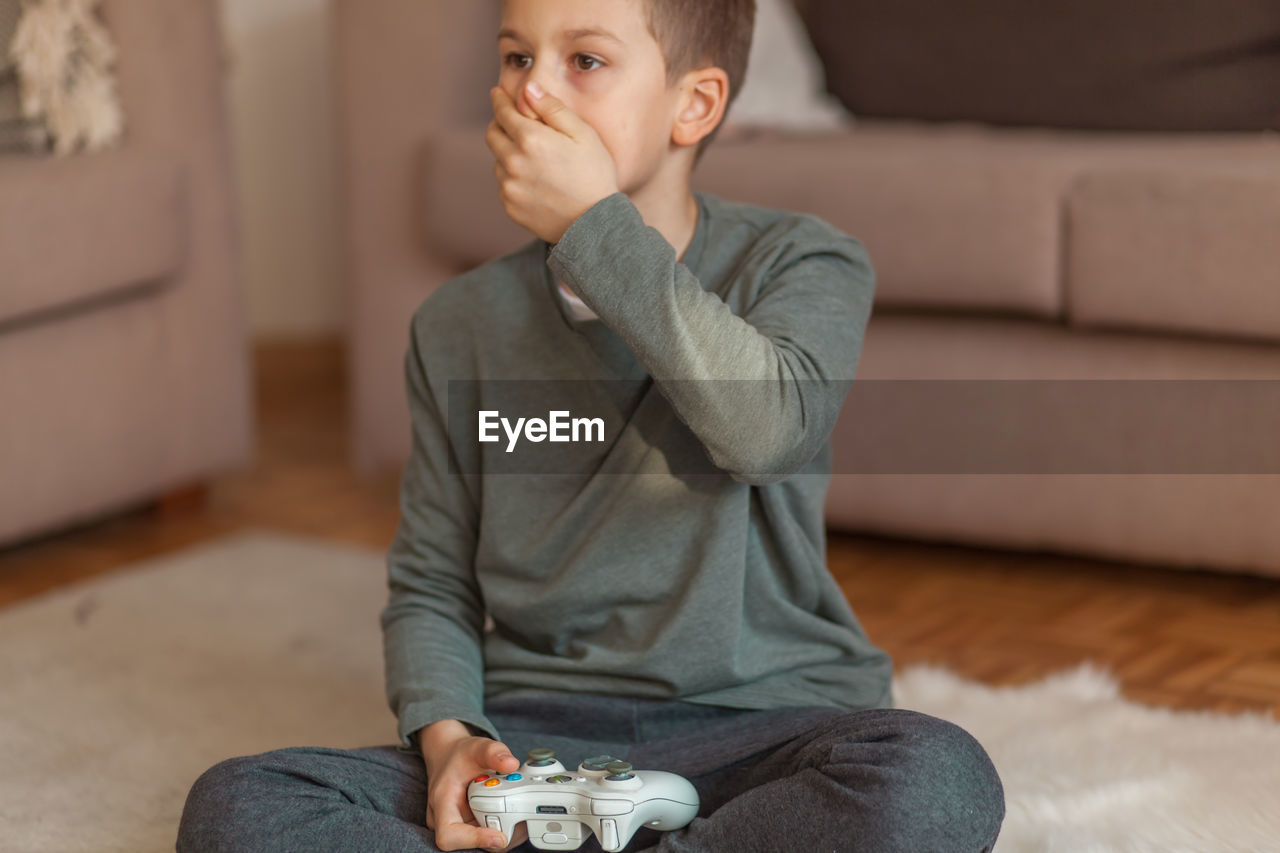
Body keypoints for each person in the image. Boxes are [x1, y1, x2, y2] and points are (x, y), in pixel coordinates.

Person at [176, 0, 1006, 850]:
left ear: (696, 105)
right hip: (540, 740)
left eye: (585, 61)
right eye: (514, 57)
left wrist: (591, 228)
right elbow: (433, 581)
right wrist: (450, 738)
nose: (532, 90)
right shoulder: (458, 323)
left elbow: (765, 432)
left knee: (936, 779)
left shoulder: (802, 262)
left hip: (762, 729)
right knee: (239, 805)